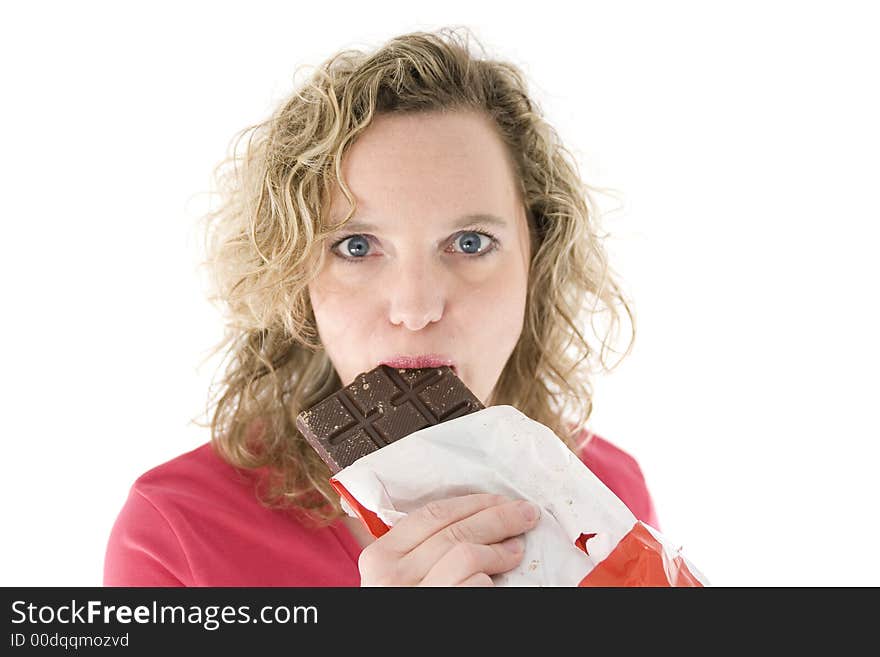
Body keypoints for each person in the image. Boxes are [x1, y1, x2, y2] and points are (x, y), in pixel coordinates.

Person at [103, 27, 659, 587]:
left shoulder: (608, 499)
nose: (415, 309)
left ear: (537, 258)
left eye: (470, 243)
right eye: (356, 247)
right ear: (294, 274)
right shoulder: (177, 532)